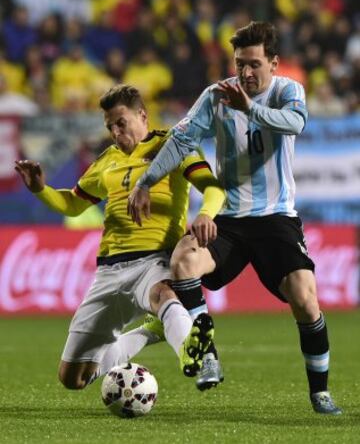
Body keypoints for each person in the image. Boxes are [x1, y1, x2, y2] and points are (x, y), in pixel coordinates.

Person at [127, 21, 342, 415]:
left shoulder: (288, 91)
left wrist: (252, 110)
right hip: (228, 219)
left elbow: (296, 124)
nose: (246, 73)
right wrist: (145, 181)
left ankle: (320, 393)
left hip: (276, 218)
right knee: (182, 261)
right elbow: (182, 140)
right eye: (240, 63)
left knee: (306, 301)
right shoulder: (216, 96)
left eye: (255, 64)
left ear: (274, 63)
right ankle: (207, 354)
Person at [15, 83, 226, 391]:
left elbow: (214, 188)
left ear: (143, 116)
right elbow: (73, 204)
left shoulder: (175, 145)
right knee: (73, 378)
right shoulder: (105, 161)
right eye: (110, 126)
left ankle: (189, 353)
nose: (115, 131)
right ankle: (150, 331)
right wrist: (40, 190)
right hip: (109, 270)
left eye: (121, 123)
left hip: (154, 259)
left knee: (164, 294)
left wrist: (206, 214)